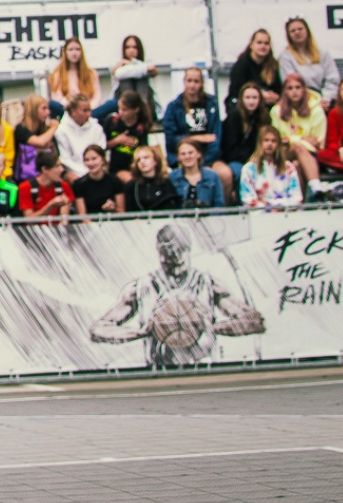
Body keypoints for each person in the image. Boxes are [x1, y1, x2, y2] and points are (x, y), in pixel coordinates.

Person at [88, 220, 266, 369]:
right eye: (168, 259)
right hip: (160, 369)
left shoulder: (207, 283)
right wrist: (140, 333)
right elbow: (98, 330)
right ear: (159, 253)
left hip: (203, 367)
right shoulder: (143, 286)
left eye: (178, 257)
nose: (174, 263)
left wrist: (212, 327)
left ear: (188, 250)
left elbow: (255, 322)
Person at [160, 67, 231, 191]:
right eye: (189, 81)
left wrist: (205, 162)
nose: (192, 85)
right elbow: (171, 139)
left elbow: (215, 137)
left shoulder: (211, 103)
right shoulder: (174, 106)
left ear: (202, 83)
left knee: (225, 174)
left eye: (196, 81)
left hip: (208, 157)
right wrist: (197, 138)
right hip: (182, 157)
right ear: (184, 81)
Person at [270, 71, 328, 186]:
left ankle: (302, 197)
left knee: (297, 164)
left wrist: (290, 139)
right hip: (284, 153)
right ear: (285, 91)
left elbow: (319, 142)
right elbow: (277, 140)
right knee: (298, 147)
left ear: (304, 89)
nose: (294, 91)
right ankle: (316, 186)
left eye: (298, 87)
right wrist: (302, 138)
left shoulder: (316, 110)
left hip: (310, 154)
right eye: (290, 88)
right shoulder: (276, 111)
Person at [216, 82, 269, 190]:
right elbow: (229, 148)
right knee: (242, 172)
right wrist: (249, 158)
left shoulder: (263, 117)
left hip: (257, 158)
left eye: (254, 98)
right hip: (234, 160)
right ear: (241, 99)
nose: (251, 101)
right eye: (247, 98)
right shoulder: (234, 116)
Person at [280, 16, 343, 103]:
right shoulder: (285, 57)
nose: (297, 32)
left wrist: (326, 98)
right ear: (288, 35)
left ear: (307, 31)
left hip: (324, 101)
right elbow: (290, 84)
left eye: (300, 29)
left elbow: (332, 79)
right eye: (293, 31)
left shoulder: (323, 53)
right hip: (299, 102)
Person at [239, 126, 304, 211]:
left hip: (285, 214)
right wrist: (272, 207)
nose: (270, 144)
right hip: (259, 216)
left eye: (273, 141)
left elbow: (297, 199)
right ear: (260, 143)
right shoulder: (248, 169)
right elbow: (248, 200)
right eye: (266, 140)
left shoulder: (289, 167)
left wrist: (273, 205)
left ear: (278, 144)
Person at [101, 89, 154, 182]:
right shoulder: (112, 122)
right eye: (119, 108)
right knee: (130, 180)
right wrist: (118, 140)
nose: (120, 112)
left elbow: (143, 149)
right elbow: (102, 146)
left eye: (124, 110)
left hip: (136, 167)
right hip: (116, 168)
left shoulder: (141, 127)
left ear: (136, 110)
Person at [53, 93, 106, 182]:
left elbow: (101, 151)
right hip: (74, 173)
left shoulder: (96, 127)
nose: (89, 114)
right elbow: (65, 159)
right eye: (85, 110)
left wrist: (93, 169)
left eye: (89, 110)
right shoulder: (61, 131)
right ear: (73, 111)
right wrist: (84, 173)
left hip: (96, 169)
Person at [227, 29, 285, 110]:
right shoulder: (241, 64)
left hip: (267, 106)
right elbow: (236, 91)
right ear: (251, 45)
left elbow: (278, 88)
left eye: (266, 43)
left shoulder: (272, 65)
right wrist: (260, 95)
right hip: (244, 106)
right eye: (259, 43)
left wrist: (275, 96)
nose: (263, 46)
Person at [45, 39, 103, 116]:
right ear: (65, 52)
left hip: (89, 111)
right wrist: (73, 108)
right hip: (68, 111)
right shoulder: (57, 74)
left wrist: (87, 108)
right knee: (52, 104)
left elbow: (97, 96)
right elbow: (57, 97)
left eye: (77, 49)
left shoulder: (91, 73)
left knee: (112, 104)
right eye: (71, 49)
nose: (74, 53)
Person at [17, 149, 75, 220]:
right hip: (35, 227)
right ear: (44, 169)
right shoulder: (26, 187)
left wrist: (64, 205)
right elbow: (29, 220)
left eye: (61, 166)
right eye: (57, 166)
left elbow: (64, 221)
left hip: (57, 226)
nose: (62, 170)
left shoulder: (64, 186)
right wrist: (50, 206)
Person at [170, 139, 227, 210]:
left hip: (208, 216)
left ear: (198, 154)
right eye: (183, 154)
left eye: (190, 153)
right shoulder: (172, 177)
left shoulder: (212, 176)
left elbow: (219, 205)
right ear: (178, 157)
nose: (187, 156)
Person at [10, 94, 56, 180]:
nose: (48, 112)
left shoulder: (45, 130)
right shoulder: (21, 129)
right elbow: (40, 142)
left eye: (48, 108)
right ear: (33, 110)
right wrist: (54, 127)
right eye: (44, 108)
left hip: (44, 177)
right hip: (24, 178)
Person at [70, 145, 125, 216]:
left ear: (102, 159)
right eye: (87, 160)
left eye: (94, 159)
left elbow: (121, 212)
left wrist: (112, 209)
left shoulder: (115, 181)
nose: (90, 163)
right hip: (90, 222)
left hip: (111, 221)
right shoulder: (79, 184)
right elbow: (82, 216)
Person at [112, 34, 160, 114]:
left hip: (147, 101)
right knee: (126, 80)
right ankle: (128, 108)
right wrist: (142, 69)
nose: (131, 50)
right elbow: (117, 74)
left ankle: (143, 110)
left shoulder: (146, 63)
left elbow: (154, 71)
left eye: (134, 47)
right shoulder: (118, 65)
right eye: (128, 47)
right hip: (121, 100)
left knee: (141, 80)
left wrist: (132, 65)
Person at [124, 145, 180, 213]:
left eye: (146, 157)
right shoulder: (131, 186)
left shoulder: (166, 182)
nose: (142, 161)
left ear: (155, 161)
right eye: (138, 160)